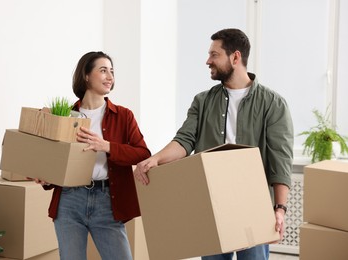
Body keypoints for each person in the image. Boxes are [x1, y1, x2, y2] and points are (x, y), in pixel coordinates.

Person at [133, 28, 293, 260]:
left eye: (214, 54)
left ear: (235, 57)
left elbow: (280, 161)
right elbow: (185, 140)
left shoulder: (273, 104)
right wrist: (156, 158)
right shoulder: (203, 100)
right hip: (211, 205)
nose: (208, 60)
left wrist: (280, 210)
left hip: (252, 205)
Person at [39, 51, 151, 260]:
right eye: (103, 70)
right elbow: (52, 160)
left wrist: (106, 146)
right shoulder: (63, 116)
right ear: (86, 75)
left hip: (107, 201)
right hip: (69, 201)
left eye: (112, 72)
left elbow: (142, 153)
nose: (110, 77)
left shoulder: (123, 115)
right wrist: (44, 177)